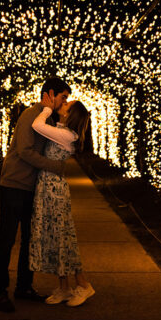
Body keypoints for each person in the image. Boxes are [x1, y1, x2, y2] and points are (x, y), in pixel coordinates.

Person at [0, 78, 71, 313]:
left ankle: (24, 287)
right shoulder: (30, 114)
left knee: (29, 239)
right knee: (6, 239)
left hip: (31, 187)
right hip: (14, 184)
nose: (64, 101)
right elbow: (24, 151)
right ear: (50, 94)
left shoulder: (47, 117)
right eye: (63, 97)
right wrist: (52, 166)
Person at [29, 92, 95, 307]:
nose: (64, 103)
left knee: (63, 238)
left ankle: (84, 285)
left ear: (71, 114)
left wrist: (46, 109)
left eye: (68, 103)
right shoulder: (61, 130)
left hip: (55, 190)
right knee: (54, 239)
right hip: (47, 187)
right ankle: (64, 287)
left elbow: (37, 126)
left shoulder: (68, 135)